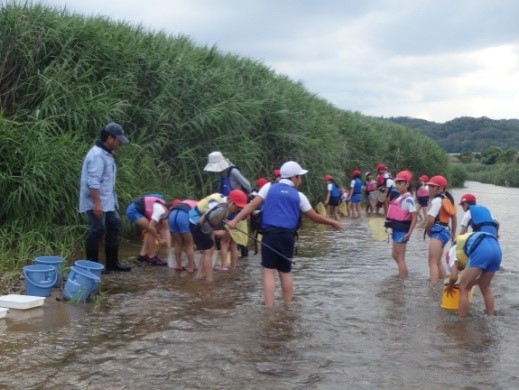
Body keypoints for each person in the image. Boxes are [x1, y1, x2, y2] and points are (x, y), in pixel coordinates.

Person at [227, 161, 342, 307]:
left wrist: (235, 221)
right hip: (288, 236)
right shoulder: (299, 196)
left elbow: (252, 205)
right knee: (285, 272)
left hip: (270, 234)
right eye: (300, 177)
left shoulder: (268, 187)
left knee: (269, 272)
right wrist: (333, 223)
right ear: (294, 177)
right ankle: (287, 306)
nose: (301, 180)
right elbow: (313, 217)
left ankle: (269, 308)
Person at [79, 122, 131, 272]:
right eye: (118, 140)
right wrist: (97, 204)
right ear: (110, 138)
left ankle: (112, 263)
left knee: (114, 224)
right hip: (95, 201)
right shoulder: (97, 155)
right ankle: (92, 266)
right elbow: (93, 182)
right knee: (97, 229)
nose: (120, 143)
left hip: (107, 200)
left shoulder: (107, 154)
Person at [188, 189, 248, 282]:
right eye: (237, 208)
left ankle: (200, 276)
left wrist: (224, 225)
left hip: (200, 220)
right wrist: (215, 230)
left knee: (206, 251)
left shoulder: (223, 202)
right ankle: (209, 280)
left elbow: (215, 218)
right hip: (196, 221)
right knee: (208, 251)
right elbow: (204, 220)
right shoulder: (218, 205)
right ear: (231, 202)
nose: (237, 210)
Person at [204, 151, 251, 258]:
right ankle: (228, 263)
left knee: (237, 237)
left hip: (236, 205)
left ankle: (243, 259)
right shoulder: (220, 174)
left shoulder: (233, 171)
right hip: (226, 206)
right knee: (225, 237)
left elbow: (247, 185)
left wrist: (242, 201)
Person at [444, 231, 502, 316]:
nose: (460, 269)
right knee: (485, 286)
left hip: (481, 248)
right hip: (496, 249)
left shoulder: (451, 253)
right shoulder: (462, 249)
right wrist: (472, 282)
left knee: (463, 287)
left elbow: (453, 277)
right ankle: (491, 314)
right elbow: (479, 278)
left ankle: (462, 317)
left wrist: (450, 286)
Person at [423, 175, 457, 284]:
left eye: (433, 187)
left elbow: (430, 220)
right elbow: (454, 217)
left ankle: (433, 288)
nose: (429, 189)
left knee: (431, 262)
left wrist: (426, 231)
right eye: (429, 186)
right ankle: (443, 286)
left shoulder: (436, 200)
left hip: (438, 232)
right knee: (437, 262)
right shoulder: (446, 199)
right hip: (445, 232)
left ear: (441, 189)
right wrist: (453, 233)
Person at [384, 170, 417, 277]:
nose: (397, 185)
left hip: (402, 231)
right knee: (394, 255)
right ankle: (404, 274)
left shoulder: (409, 200)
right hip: (396, 229)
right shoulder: (398, 197)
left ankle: (402, 282)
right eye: (396, 183)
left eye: (400, 183)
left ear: (407, 184)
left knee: (400, 257)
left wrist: (409, 234)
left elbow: (415, 218)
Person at [125, 194, 171, 266]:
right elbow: (152, 227)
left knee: (152, 230)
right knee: (152, 230)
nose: (164, 219)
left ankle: (142, 255)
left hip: (137, 210)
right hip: (133, 211)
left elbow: (164, 228)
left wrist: (168, 245)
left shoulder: (163, 207)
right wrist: (160, 239)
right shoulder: (160, 210)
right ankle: (152, 257)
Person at [168, 199, 198, 272]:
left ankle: (178, 266)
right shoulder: (200, 206)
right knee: (190, 243)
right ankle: (191, 268)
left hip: (172, 214)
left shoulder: (187, 202)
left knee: (178, 242)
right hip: (183, 215)